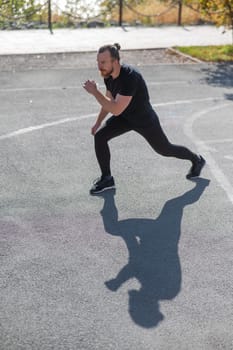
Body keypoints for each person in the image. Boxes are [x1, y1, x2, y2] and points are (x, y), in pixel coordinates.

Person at [83, 43, 205, 195]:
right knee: (100, 136)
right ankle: (107, 178)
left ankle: (196, 159)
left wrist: (95, 92)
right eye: (98, 62)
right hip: (125, 117)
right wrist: (98, 122)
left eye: (103, 62)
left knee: (165, 149)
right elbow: (109, 100)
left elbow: (115, 109)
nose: (99, 66)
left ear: (115, 61)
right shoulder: (108, 75)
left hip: (144, 119)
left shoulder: (129, 77)